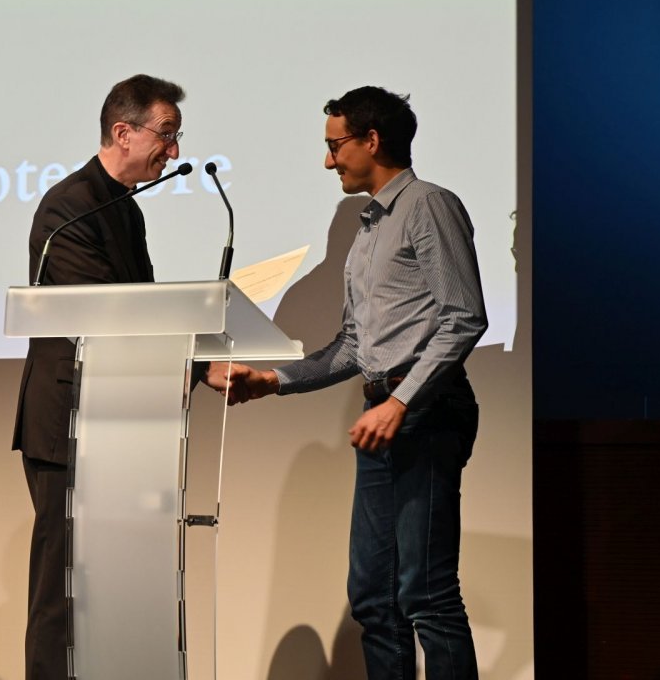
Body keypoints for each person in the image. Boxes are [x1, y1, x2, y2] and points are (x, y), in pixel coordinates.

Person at [207, 86, 488, 679]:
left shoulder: (429, 205)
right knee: (372, 599)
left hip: (428, 414)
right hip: (383, 417)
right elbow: (354, 348)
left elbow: (464, 316)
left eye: (335, 146)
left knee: (426, 595)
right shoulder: (367, 230)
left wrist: (403, 403)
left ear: (372, 140)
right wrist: (271, 380)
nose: (328, 161)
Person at [14, 73, 185, 679]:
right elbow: (104, 313)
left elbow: (141, 310)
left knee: (113, 593)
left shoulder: (124, 209)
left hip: (118, 420)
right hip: (69, 426)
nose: (175, 151)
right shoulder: (69, 205)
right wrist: (189, 353)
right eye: (166, 134)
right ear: (123, 131)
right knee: (62, 592)